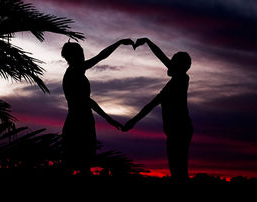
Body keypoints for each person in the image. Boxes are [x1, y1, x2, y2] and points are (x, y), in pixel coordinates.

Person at [123, 38, 193, 182]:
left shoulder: (181, 79)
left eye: (173, 61)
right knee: (177, 169)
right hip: (176, 130)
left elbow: (162, 58)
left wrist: (149, 42)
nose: (169, 63)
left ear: (179, 66)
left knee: (178, 170)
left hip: (180, 129)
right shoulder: (171, 85)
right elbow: (150, 105)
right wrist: (133, 122)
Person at [61, 39, 133, 175]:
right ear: (74, 56)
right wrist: (109, 119)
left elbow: (100, 56)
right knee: (81, 165)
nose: (83, 57)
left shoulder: (73, 71)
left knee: (78, 165)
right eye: (81, 54)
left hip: (79, 120)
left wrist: (118, 43)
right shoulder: (75, 71)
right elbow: (88, 101)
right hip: (80, 122)